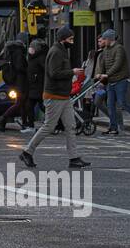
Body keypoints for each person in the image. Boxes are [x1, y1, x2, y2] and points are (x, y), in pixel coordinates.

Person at [20, 27, 88, 169]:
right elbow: (53, 73)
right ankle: (27, 152)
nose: (72, 41)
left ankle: (73, 158)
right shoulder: (56, 52)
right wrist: (72, 72)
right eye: (70, 39)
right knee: (49, 126)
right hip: (54, 95)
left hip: (64, 95)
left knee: (71, 126)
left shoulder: (61, 50)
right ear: (63, 39)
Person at [96, 29, 130, 135]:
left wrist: (107, 74)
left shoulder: (119, 49)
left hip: (121, 80)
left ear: (109, 39)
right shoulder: (105, 50)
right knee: (110, 104)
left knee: (122, 102)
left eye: (104, 39)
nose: (103, 41)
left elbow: (117, 64)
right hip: (110, 82)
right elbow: (103, 64)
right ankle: (113, 127)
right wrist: (99, 74)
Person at [0, 36, 29, 131]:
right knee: (20, 102)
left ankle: (24, 123)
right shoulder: (18, 52)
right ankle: (2, 118)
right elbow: (19, 67)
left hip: (16, 82)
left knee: (22, 103)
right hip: (21, 82)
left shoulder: (11, 51)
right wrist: (27, 70)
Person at [25, 39, 46, 131]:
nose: (30, 49)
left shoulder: (40, 58)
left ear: (36, 49)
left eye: (32, 47)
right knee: (31, 106)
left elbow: (46, 70)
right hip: (33, 86)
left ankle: (31, 126)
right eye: (30, 47)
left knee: (42, 107)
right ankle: (30, 125)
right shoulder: (31, 58)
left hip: (38, 86)